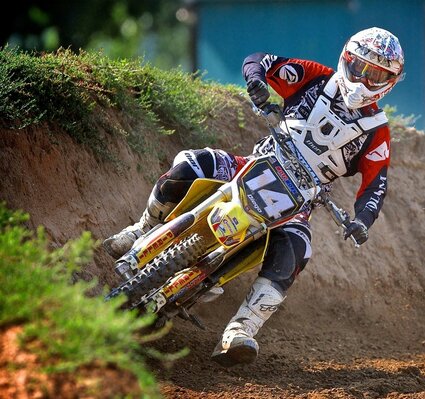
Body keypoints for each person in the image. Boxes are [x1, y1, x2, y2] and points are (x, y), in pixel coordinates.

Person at [103, 27, 405, 367]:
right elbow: (259, 60)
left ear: (390, 81)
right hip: (255, 163)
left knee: (298, 250)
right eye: (361, 68)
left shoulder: (377, 132)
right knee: (189, 162)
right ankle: (142, 229)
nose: (364, 80)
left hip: (300, 202)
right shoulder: (316, 77)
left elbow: (376, 184)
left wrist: (362, 220)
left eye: (376, 75)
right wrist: (257, 81)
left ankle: (241, 329)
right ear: (347, 59)